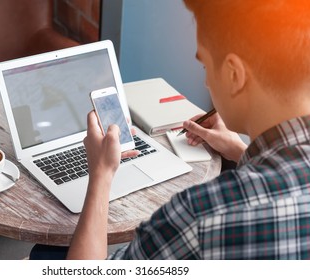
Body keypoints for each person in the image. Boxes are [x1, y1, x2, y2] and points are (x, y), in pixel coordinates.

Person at [32, 0, 310, 259]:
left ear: (233, 75)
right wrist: (241, 151)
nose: (206, 84)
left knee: (45, 255)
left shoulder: (199, 216)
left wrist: (101, 175)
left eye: (204, 66)